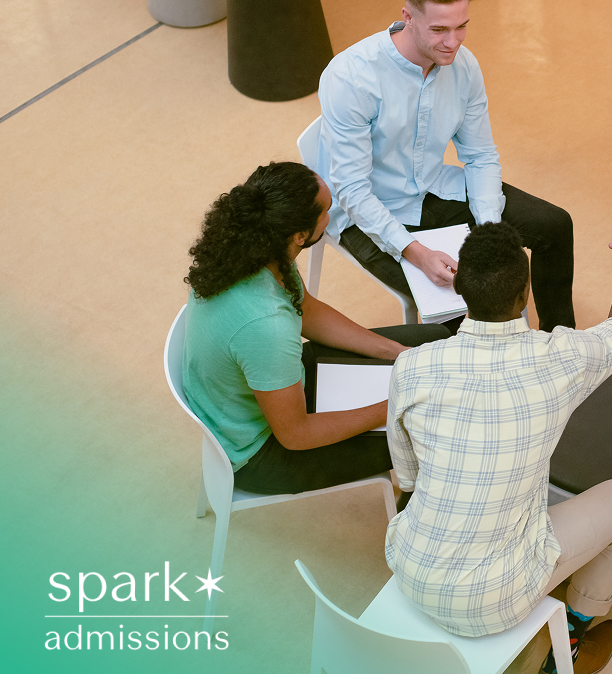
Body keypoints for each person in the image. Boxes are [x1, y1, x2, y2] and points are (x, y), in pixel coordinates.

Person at [385, 222, 612, 674]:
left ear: (462, 287)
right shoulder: (560, 356)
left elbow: (406, 479)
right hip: (496, 600)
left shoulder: (412, 366)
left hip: (410, 568)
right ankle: (569, 643)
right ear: (525, 293)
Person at [315, 0, 575, 332]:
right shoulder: (351, 78)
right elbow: (353, 190)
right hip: (370, 212)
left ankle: (558, 342)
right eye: (439, 29)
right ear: (407, 17)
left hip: (434, 187)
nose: (453, 42)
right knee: (458, 301)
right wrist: (417, 254)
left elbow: (480, 155)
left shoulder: (464, 67)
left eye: (461, 26)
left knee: (554, 225)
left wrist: (487, 232)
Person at [182, 162, 449, 495]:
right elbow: (296, 435)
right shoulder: (267, 327)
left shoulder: (257, 251)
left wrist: (394, 352)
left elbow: (306, 309)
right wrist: (395, 403)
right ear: (300, 234)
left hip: (268, 386)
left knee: (434, 340)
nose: (332, 211)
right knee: (433, 425)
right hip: (262, 453)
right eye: (326, 209)